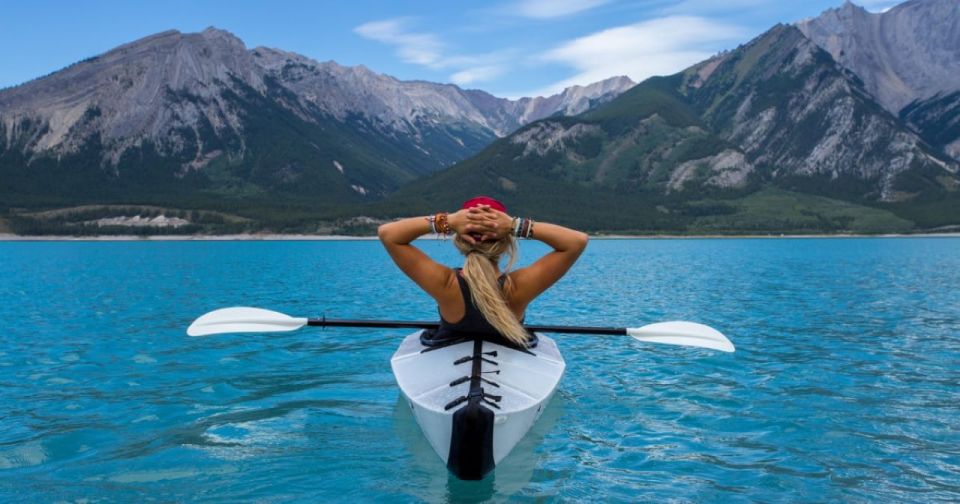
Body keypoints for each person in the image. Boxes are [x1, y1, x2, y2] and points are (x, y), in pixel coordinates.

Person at [377, 196, 588, 347]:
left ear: (459, 239)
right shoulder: (519, 287)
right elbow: (576, 241)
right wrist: (516, 225)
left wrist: (447, 221)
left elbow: (388, 234)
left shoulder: (445, 284)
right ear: (506, 241)